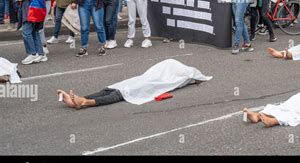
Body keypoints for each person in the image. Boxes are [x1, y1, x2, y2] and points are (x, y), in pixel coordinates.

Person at [57, 59, 212, 109]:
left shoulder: (179, 77)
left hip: (151, 83)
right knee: (112, 88)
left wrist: (198, 78)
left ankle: (85, 102)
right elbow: (158, 69)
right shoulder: (171, 65)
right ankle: (77, 99)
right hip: (145, 78)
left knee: (121, 93)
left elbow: (195, 75)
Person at [11, 0, 47, 64]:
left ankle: (33, 53)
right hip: (29, 6)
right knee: (34, 32)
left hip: (32, 7)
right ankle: (40, 54)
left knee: (26, 32)